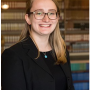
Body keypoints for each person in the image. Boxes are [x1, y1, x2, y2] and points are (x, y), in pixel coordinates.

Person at [1, 0, 75, 90]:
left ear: (57, 18)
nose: (46, 19)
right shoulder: (13, 56)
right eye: (39, 13)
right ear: (28, 18)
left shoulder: (62, 51)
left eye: (51, 13)